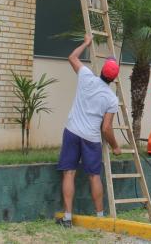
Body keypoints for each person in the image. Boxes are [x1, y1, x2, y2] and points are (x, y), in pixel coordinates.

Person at [56, 34, 121, 228]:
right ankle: (100, 217)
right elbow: (106, 128)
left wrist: (86, 43)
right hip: (91, 138)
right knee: (94, 175)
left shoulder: (86, 76)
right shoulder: (111, 98)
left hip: (72, 131)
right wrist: (116, 147)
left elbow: (72, 57)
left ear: (101, 71)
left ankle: (67, 218)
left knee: (69, 173)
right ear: (114, 79)